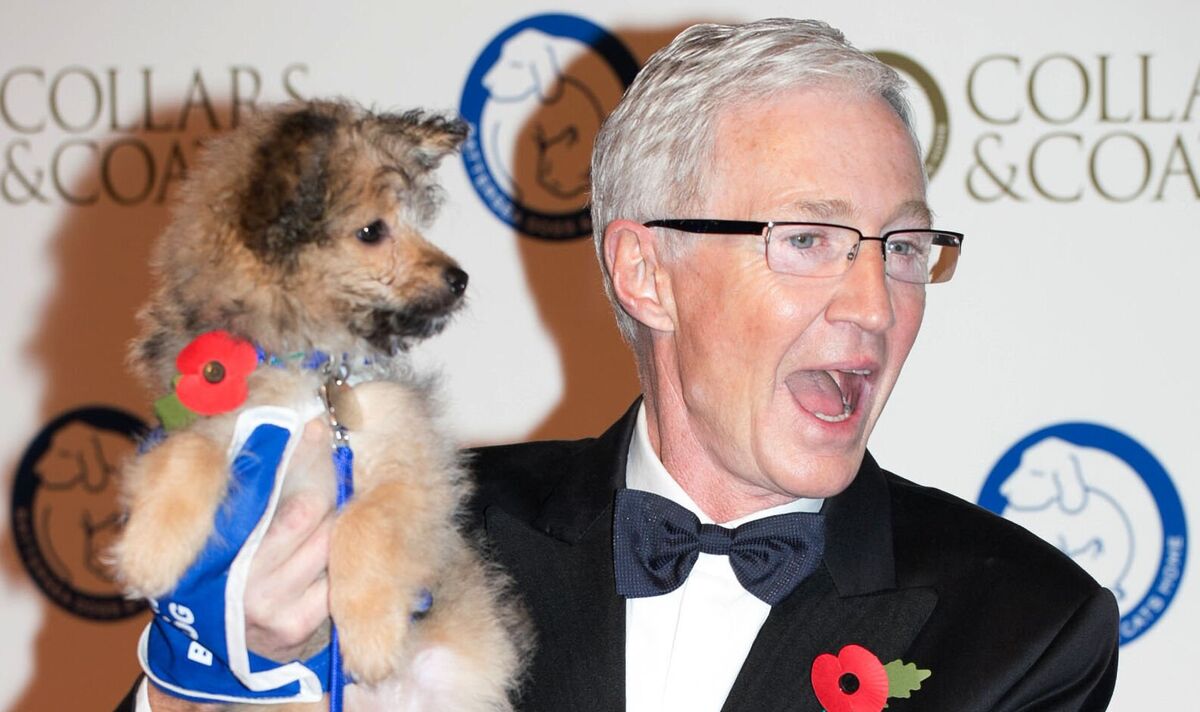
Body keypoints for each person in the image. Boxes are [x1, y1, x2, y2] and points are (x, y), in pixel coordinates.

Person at [123, 18, 1118, 712]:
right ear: (646, 272)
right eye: (809, 239)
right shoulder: (427, 533)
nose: (875, 304)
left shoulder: (1025, 628)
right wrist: (206, 681)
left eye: (903, 247)